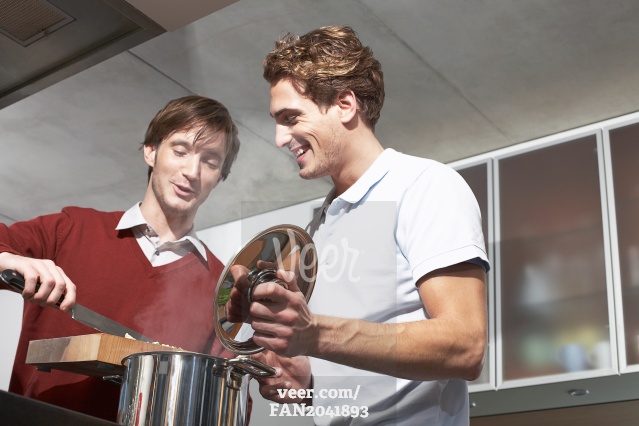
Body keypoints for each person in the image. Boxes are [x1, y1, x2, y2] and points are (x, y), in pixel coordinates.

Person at [227, 26, 489, 425]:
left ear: (346, 104)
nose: (280, 138)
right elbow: (354, 362)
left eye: (291, 118)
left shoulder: (424, 186)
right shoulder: (318, 225)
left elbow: (465, 347)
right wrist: (308, 382)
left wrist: (313, 335)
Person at [0, 95, 240, 421]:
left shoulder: (221, 289)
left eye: (210, 161)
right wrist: (9, 260)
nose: (191, 171)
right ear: (151, 151)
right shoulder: (70, 228)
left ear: (221, 176)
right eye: (180, 151)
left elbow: (222, 404)